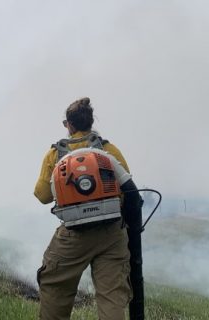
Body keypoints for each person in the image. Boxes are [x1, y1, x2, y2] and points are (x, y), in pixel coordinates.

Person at [33, 97, 143, 320]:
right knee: (112, 297)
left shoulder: (55, 154)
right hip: (112, 233)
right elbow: (127, 190)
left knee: (55, 287)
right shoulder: (109, 149)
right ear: (91, 123)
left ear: (69, 125)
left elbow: (42, 195)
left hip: (73, 235)